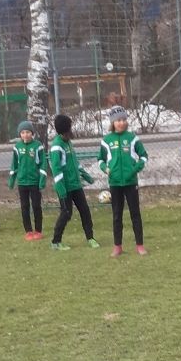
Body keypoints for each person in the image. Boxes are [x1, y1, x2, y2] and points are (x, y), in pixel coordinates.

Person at [98, 105, 149, 257]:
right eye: (117, 120)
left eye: (123, 120)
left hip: (131, 182)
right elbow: (100, 159)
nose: (120, 123)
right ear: (112, 123)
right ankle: (117, 246)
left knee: (135, 214)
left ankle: (139, 245)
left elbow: (144, 156)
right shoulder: (106, 141)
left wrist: (135, 169)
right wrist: (105, 169)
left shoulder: (133, 138)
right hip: (114, 183)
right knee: (116, 215)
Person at [49, 114, 100, 251]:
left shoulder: (68, 143)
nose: (70, 132)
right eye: (68, 129)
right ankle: (56, 241)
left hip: (76, 185)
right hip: (65, 187)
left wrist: (85, 175)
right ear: (63, 131)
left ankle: (90, 238)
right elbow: (56, 169)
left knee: (85, 211)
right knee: (66, 213)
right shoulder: (56, 146)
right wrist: (61, 189)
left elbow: (74, 163)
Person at [8, 120, 47, 241]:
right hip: (22, 183)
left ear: (32, 133)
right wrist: (12, 180)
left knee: (36, 206)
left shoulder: (38, 146)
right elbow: (14, 165)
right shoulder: (17, 147)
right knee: (24, 207)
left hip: (34, 182)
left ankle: (38, 230)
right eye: (23, 132)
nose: (25, 135)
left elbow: (43, 164)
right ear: (20, 134)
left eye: (28, 132)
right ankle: (28, 231)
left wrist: (42, 180)